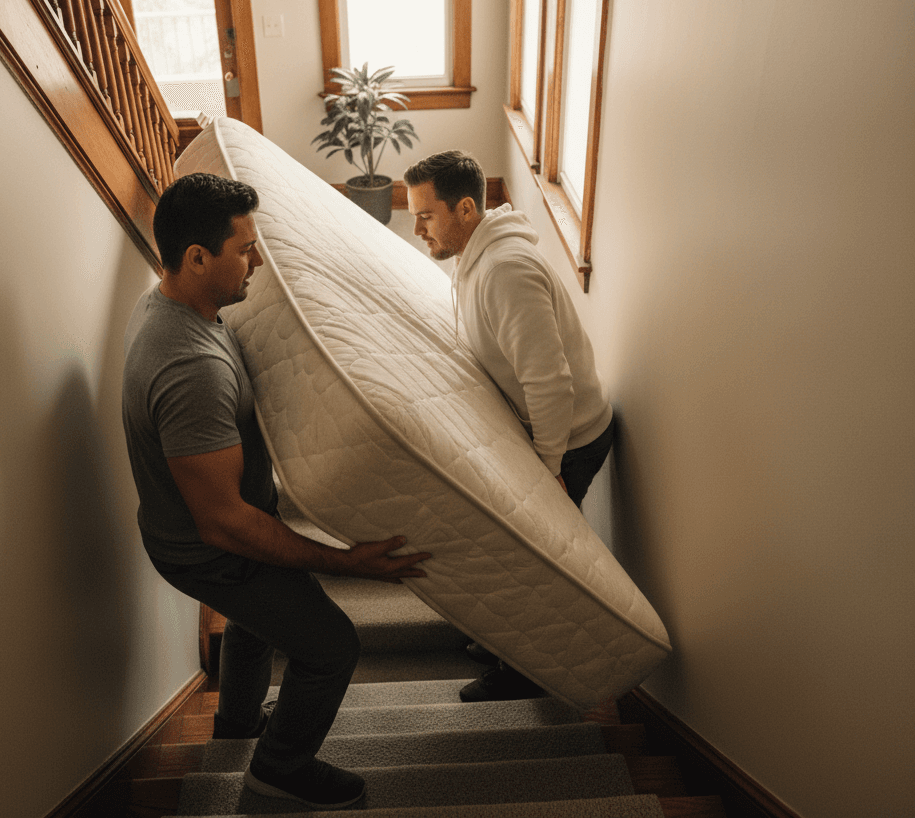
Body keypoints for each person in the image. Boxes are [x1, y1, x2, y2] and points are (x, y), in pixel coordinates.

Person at [122, 172, 430, 810]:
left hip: (192, 529)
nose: (256, 259)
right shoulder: (190, 368)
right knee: (331, 646)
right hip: (205, 547)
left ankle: (237, 722)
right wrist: (348, 564)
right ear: (196, 258)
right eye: (244, 249)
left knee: (255, 624)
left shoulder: (171, 303)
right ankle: (278, 771)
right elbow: (226, 525)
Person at [404, 150, 614, 703]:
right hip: (545, 432)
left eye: (425, 215)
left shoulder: (503, 270)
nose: (416, 227)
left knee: (533, 558)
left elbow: (550, 384)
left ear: (466, 208)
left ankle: (528, 671)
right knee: (512, 546)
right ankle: (508, 644)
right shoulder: (476, 259)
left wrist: (547, 475)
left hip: (570, 439)